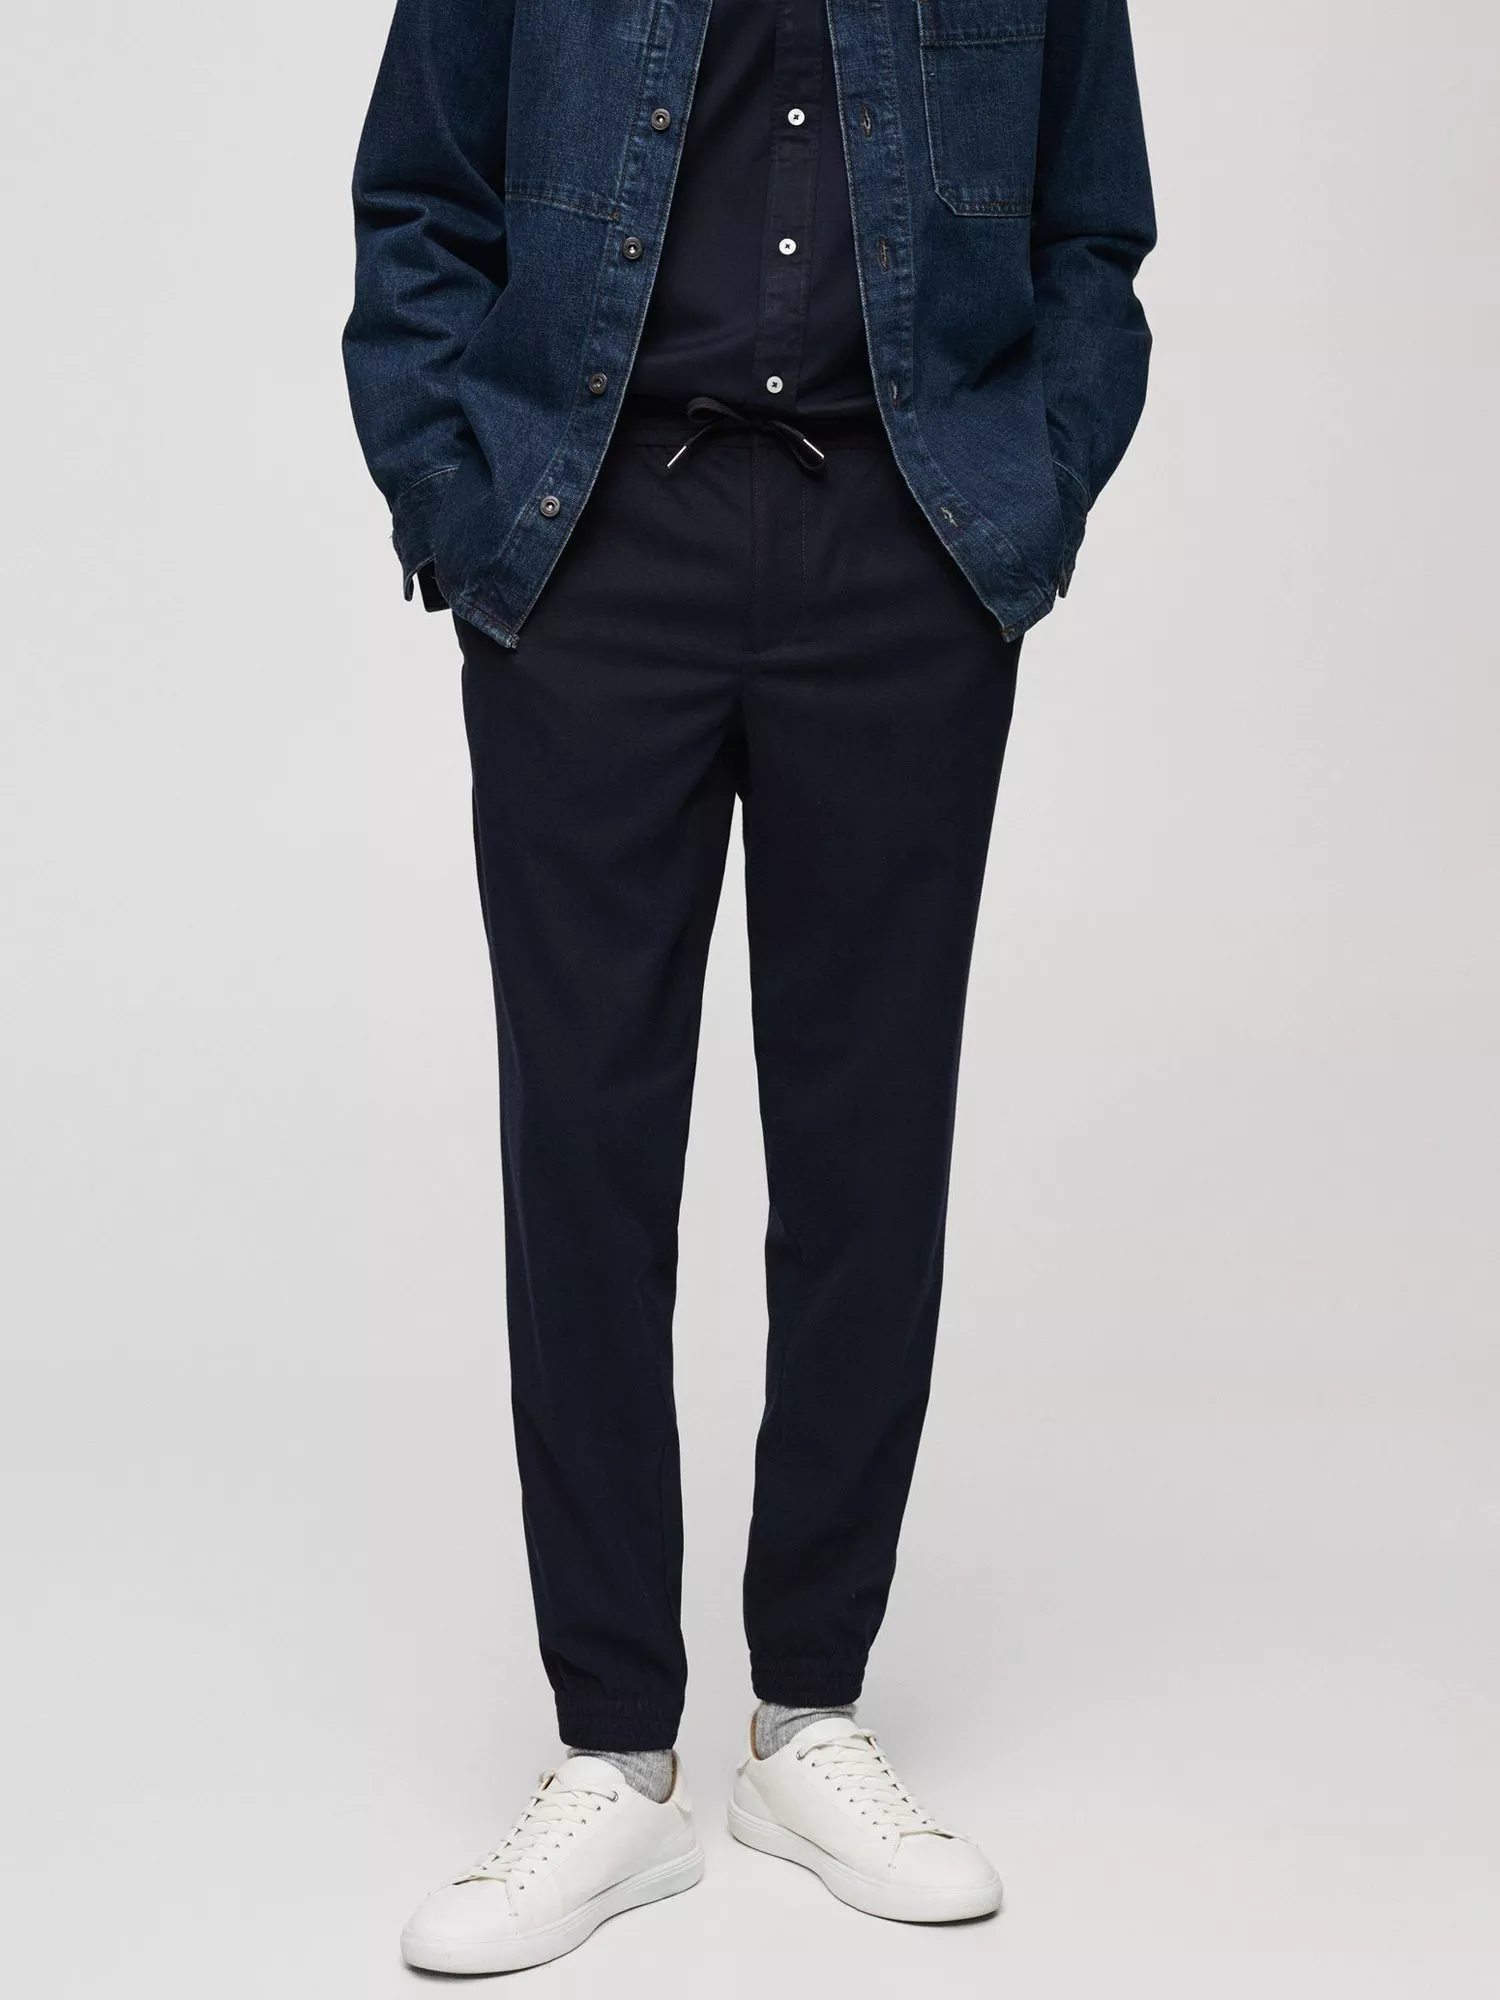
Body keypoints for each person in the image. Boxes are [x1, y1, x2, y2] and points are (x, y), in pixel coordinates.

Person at [343, 0, 1153, 1974]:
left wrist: (1027, 498)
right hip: (592, 541)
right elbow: (420, 203)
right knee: (586, 1147)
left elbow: (1091, 233)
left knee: (867, 1148)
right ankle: (614, 1756)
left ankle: (810, 1716)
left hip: (904, 549)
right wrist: (459, 498)